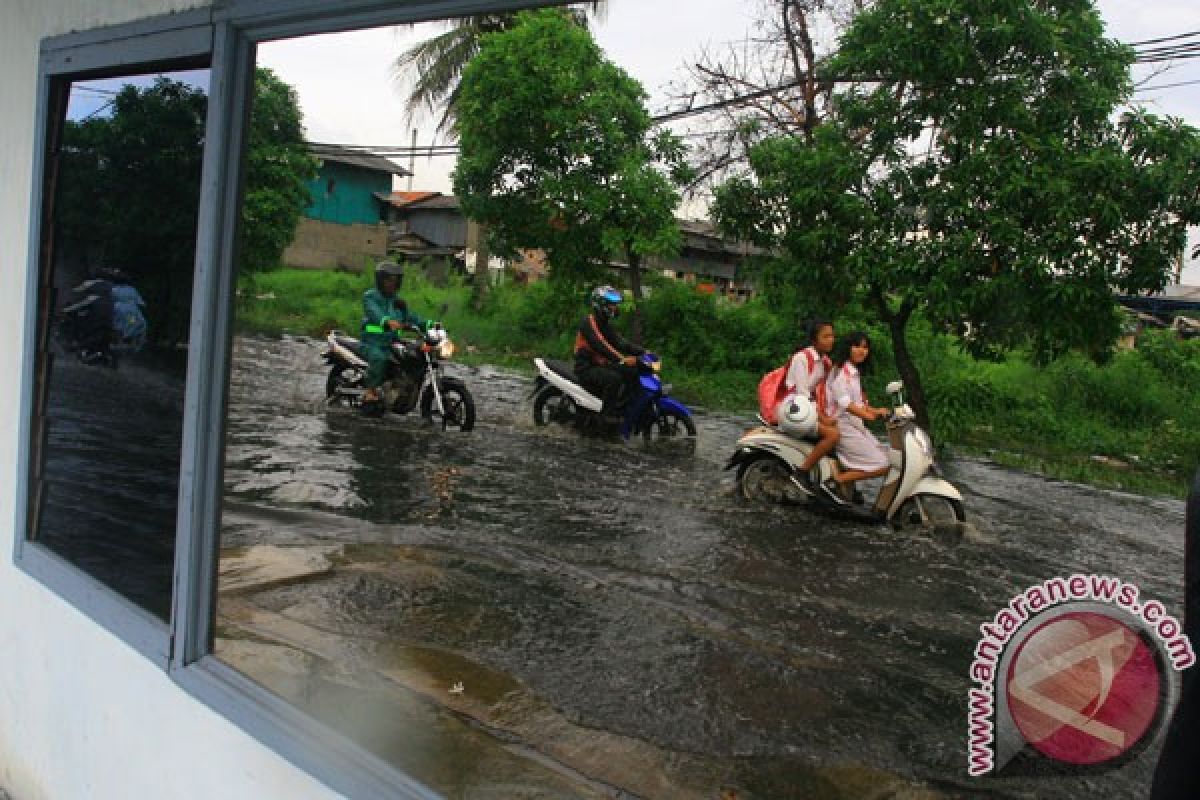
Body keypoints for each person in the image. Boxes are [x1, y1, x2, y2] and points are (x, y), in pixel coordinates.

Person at [779, 318, 841, 502]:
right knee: (832, 435)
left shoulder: (824, 362)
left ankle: (831, 481)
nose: (831, 340)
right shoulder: (801, 358)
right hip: (794, 409)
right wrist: (823, 418)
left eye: (832, 336)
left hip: (806, 410)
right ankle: (801, 472)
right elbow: (802, 393)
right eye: (826, 336)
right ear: (814, 340)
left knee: (842, 430)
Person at [825, 331, 891, 499]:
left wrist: (878, 411)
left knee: (888, 456)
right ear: (848, 348)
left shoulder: (853, 372)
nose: (862, 351)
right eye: (857, 346)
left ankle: (848, 484)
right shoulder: (841, 372)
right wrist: (868, 416)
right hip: (841, 425)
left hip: (854, 425)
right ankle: (838, 480)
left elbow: (859, 403)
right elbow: (845, 403)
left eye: (865, 347)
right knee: (883, 464)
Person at [360, 261, 425, 417]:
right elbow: (374, 313)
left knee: (412, 356)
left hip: (391, 342)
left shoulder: (397, 301)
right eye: (388, 280)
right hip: (372, 342)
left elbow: (411, 317)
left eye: (395, 280)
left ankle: (402, 390)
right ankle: (370, 391)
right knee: (379, 357)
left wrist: (430, 324)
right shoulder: (370, 296)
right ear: (380, 280)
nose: (392, 283)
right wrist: (386, 321)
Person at [574, 285, 644, 416]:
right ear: (601, 304)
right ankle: (606, 417)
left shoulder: (605, 325)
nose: (615, 307)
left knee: (632, 372)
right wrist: (622, 359)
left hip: (600, 365)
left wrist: (644, 352)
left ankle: (623, 409)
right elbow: (601, 345)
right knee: (613, 379)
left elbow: (621, 343)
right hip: (586, 368)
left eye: (615, 304)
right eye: (612, 304)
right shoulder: (588, 322)